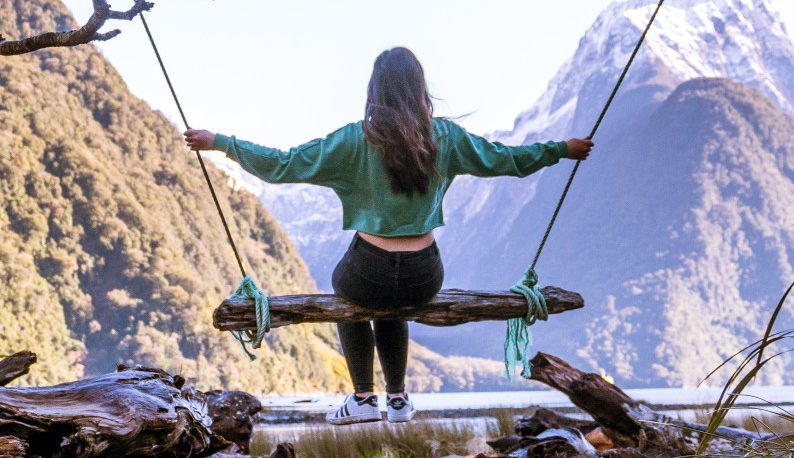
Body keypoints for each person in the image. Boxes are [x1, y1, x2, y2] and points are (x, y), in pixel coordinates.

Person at [184, 47, 594, 425]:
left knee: (350, 292)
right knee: (394, 305)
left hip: (368, 271)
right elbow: (507, 160)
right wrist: (563, 149)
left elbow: (281, 165)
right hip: (425, 274)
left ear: (375, 90)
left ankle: (363, 397)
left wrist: (220, 142)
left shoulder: (353, 140)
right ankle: (398, 400)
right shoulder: (446, 137)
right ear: (420, 88)